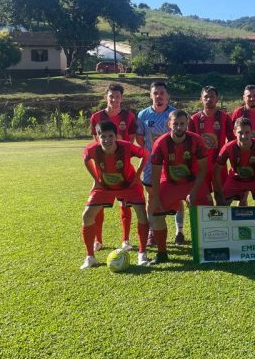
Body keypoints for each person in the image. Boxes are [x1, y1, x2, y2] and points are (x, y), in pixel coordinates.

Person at [80, 122, 149, 269]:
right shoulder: (92, 150)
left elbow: (145, 154)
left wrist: (137, 176)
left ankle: (142, 254)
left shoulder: (126, 147)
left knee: (142, 214)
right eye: (102, 136)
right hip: (104, 187)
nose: (107, 140)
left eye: (110, 136)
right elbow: (86, 160)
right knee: (87, 216)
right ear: (97, 137)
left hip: (128, 185)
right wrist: (96, 179)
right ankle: (90, 257)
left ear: (116, 136)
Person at [145, 109, 210, 265]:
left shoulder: (196, 140)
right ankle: (162, 253)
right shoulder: (161, 143)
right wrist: (155, 195)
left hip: (192, 182)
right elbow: (155, 173)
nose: (179, 127)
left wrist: (193, 192)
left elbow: (202, 170)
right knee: (156, 211)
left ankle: (208, 248)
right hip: (169, 182)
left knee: (209, 208)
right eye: (176, 124)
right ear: (169, 124)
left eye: (182, 124)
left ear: (187, 124)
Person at [88, 83, 138, 251]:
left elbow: (130, 143)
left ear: (121, 98)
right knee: (99, 203)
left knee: (125, 203)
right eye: (111, 96)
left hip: (123, 168)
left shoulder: (129, 117)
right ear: (106, 97)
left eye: (117, 97)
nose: (114, 100)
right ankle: (98, 240)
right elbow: (97, 143)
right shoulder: (96, 117)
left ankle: (125, 240)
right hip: (102, 168)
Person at [188, 85, 233, 238]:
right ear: (201, 99)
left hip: (218, 165)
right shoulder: (194, 119)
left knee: (221, 196)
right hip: (200, 167)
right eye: (205, 96)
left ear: (217, 98)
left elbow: (232, 140)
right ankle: (205, 229)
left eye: (211, 96)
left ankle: (223, 228)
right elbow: (190, 142)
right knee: (203, 198)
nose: (208, 99)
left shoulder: (225, 117)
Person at [136, 81, 176, 245]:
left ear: (167, 96)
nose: (158, 96)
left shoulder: (174, 114)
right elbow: (140, 140)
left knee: (175, 195)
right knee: (151, 196)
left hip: (172, 162)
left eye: (162, 93)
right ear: (150, 95)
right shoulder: (143, 115)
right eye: (155, 93)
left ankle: (179, 230)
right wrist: (153, 152)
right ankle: (152, 230)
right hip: (151, 163)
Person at [214, 117, 255, 206]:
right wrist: (220, 194)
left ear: (251, 132)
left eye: (247, 132)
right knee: (221, 205)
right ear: (234, 132)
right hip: (235, 179)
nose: (244, 136)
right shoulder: (228, 148)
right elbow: (216, 170)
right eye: (240, 133)